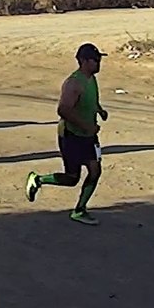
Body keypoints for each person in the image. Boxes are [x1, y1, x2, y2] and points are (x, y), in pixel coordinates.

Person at [25, 43, 109, 226]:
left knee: (95, 171)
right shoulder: (73, 83)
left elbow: (90, 100)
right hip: (71, 136)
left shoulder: (91, 79)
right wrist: (86, 126)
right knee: (72, 178)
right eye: (95, 60)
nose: (99, 63)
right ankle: (38, 179)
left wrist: (100, 110)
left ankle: (79, 210)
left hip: (88, 136)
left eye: (99, 59)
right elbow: (63, 110)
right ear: (84, 61)